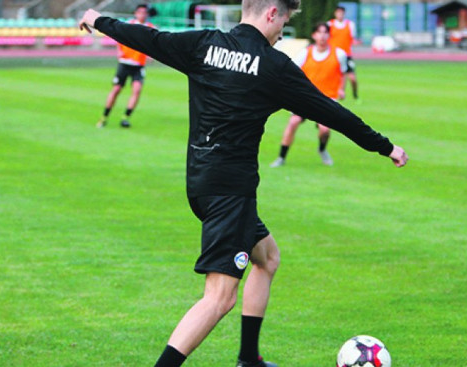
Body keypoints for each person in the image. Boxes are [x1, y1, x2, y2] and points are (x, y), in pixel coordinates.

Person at [79, 0, 408, 365]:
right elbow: (332, 113)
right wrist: (385, 146)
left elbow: (145, 38)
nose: (282, 31)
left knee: (267, 258)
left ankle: (248, 358)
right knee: (219, 297)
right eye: (283, 21)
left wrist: (97, 19)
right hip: (229, 193)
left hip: (202, 183)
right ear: (271, 13)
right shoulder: (273, 67)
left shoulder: (203, 44)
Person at [271, 22, 347, 167]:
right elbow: (293, 71)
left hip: (326, 98)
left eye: (325, 33)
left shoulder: (339, 54)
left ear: (329, 35)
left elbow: (343, 73)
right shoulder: (306, 53)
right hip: (306, 97)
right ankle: (281, 157)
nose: (322, 36)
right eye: (319, 32)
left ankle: (322, 149)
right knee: (293, 123)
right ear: (314, 35)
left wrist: (341, 89)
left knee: (324, 130)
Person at [96, 4, 155, 128]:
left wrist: (152, 55)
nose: (142, 15)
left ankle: (125, 118)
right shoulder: (129, 24)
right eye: (140, 12)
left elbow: (153, 44)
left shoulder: (150, 28)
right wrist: (119, 50)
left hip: (138, 65)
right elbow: (118, 37)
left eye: (145, 12)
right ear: (136, 13)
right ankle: (104, 117)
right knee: (116, 90)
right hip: (125, 62)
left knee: (137, 90)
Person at [328, 6, 360, 101]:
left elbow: (352, 39)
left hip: (347, 55)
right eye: (338, 12)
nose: (340, 15)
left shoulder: (350, 25)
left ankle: (355, 95)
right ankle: (338, 93)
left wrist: (356, 42)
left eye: (341, 13)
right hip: (333, 56)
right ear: (335, 13)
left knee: (352, 78)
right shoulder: (330, 24)